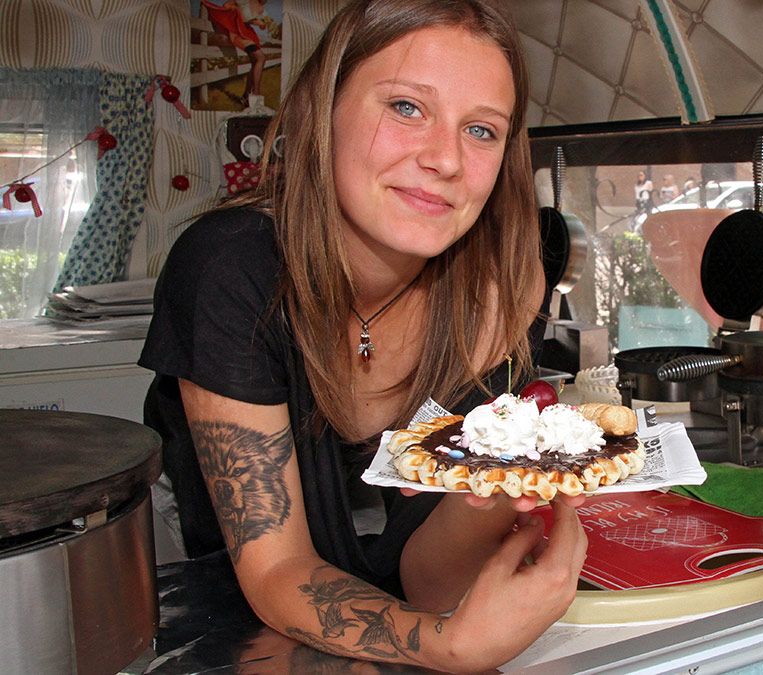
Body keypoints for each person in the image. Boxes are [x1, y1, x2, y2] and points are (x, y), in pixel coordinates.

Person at [140, 1, 587, 670]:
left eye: (481, 130)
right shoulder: (230, 270)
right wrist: (449, 645)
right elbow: (275, 569)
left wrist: (490, 496)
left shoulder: (497, 296)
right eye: (407, 107)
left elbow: (428, 579)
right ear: (324, 110)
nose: (445, 159)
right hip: (239, 637)